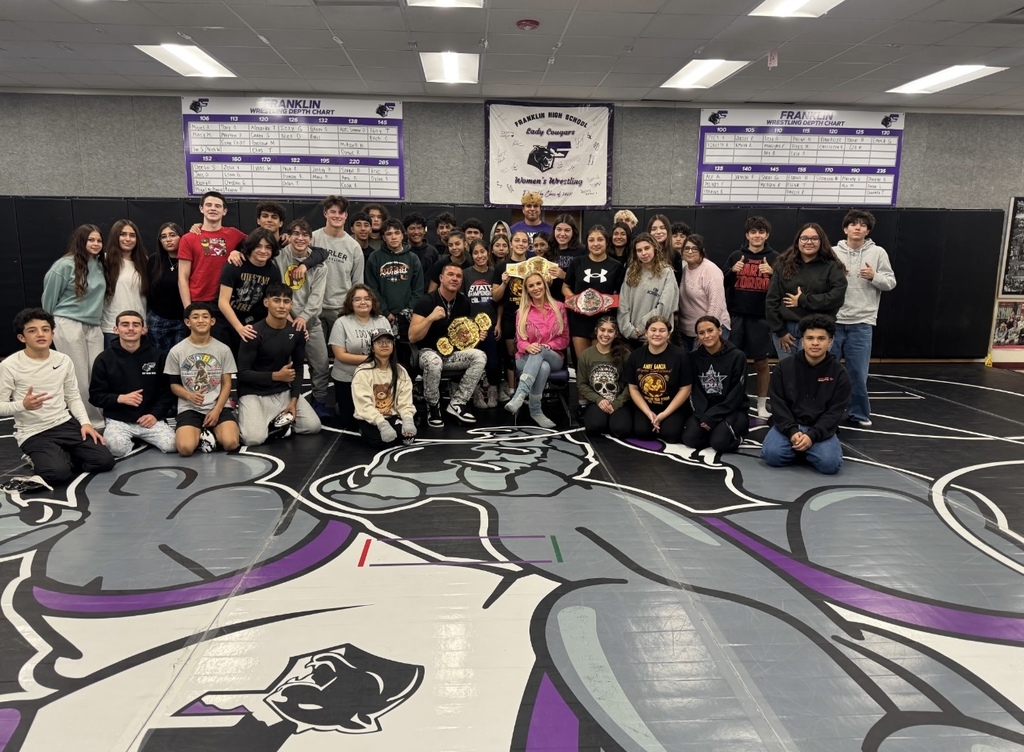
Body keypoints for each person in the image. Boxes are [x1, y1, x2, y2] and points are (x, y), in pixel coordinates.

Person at [0, 308, 114, 487]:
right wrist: (22, 405)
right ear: (22, 337)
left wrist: (85, 423)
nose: (40, 334)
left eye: (45, 329)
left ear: (52, 334)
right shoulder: (9, 365)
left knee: (104, 461)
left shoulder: (63, 360)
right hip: (33, 432)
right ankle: (40, 457)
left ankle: (56, 456)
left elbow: (73, 396)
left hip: (64, 423)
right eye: (32, 330)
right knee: (57, 474)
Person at [760, 314, 851, 475]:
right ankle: (804, 449)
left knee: (830, 464)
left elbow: (834, 413)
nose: (815, 343)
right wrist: (792, 431)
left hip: (819, 428)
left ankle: (804, 448)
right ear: (802, 341)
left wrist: (812, 436)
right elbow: (778, 405)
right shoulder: (784, 368)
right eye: (810, 338)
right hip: (789, 426)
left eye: (821, 338)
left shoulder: (839, 374)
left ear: (830, 342)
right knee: (772, 455)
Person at [831, 209, 897, 428]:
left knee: (858, 373)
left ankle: (858, 413)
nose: (857, 228)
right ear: (845, 229)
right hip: (834, 321)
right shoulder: (832, 252)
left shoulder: (878, 252)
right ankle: (824, 412)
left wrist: (874, 276)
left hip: (862, 322)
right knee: (826, 371)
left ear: (868, 230)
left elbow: (890, 282)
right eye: (853, 224)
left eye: (862, 225)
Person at [236, 283, 322, 447]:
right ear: (266, 302)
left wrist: (293, 401)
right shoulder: (253, 332)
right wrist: (275, 376)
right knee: (253, 439)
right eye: (276, 300)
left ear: (291, 305)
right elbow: (242, 373)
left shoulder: (296, 332)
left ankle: (274, 423)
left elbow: (298, 369)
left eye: (286, 301)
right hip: (253, 392)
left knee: (313, 426)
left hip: (281, 391)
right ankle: (248, 416)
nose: (282, 306)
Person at [41, 224, 106, 428]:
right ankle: (86, 421)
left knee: (96, 373)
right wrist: (49, 327)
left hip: (94, 326)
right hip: (68, 323)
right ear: (81, 241)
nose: (96, 244)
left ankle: (99, 417)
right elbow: (48, 300)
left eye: (99, 240)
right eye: (91, 240)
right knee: (78, 376)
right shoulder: (63, 265)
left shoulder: (99, 264)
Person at [88, 310, 176, 458]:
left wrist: (155, 415)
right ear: (116, 329)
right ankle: (132, 442)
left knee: (173, 445)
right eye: (125, 325)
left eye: (136, 325)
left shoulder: (158, 356)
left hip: (149, 419)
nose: (130, 328)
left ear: (144, 330)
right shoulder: (104, 359)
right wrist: (119, 398)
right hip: (119, 420)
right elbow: (95, 396)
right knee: (116, 448)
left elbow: (168, 392)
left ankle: (144, 437)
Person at [408, 264, 487, 428]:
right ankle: (433, 407)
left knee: (480, 356)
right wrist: (430, 318)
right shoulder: (426, 301)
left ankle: (457, 403)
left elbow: (463, 337)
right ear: (441, 278)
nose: (454, 278)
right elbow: (412, 336)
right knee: (434, 361)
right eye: (450, 274)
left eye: (458, 276)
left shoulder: (464, 302)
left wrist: (475, 337)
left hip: (452, 355)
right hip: (427, 352)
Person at [722, 216, 779, 420]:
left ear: (767, 235)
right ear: (747, 235)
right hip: (736, 316)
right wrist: (732, 272)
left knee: (762, 362)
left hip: (761, 318)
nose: (757, 235)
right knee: (734, 362)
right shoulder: (736, 255)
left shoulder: (775, 257)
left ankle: (762, 404)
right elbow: (722, 282)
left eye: (761, 232)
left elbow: (784, 286)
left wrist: (772, 273)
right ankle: (732, 401)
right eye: (753, 232)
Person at [165, 302, 240, 456]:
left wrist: (217, 410)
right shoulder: (176, 351)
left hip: (218, 405)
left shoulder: (223, 349)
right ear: (188, 322)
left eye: (205, 316)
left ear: (212, 321)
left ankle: (211, 433)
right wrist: (189, 395)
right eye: (196, 317)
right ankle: (201, 434)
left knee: (231, 443)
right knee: (185, 449)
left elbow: (227, 384)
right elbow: (174, 385)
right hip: (190, 408)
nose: (201, 320)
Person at [765, 223, 848, 360]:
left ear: (821, 242)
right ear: (798, 241)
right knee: (789, 371)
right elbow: (771, 301)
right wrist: (780, 331)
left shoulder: (832, 267)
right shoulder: (783, 265)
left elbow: (836, 298)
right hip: (786, 330)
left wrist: (803, 300)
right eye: (804, 238)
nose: (809, 242)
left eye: (814, 238)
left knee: (812, 371)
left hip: (818, 330)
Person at [278, 219, 331, 419]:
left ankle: (319, 401)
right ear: (289, 236)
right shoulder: (279, 257)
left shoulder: (319, 265)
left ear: (310, 239)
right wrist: (291, 319)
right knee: (284, 365)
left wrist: (303, 317)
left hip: (310, 322)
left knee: (321, 364)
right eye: (296, 234)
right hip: (284, 321)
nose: (300, 238)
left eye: (305, 235)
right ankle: (284, 401)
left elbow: (317, 297)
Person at [505, 271, 569, 428]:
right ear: (527, 290)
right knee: (543, 366)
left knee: (541, 353)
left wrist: (550, 346)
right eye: (531, 286)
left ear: (545, 285)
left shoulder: (559, 307)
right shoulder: (522, 312)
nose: (536, 288)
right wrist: (527, 346)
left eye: (538, 283)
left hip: (554, 356)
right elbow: (520, 340)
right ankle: (535, 411)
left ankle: (520, 394)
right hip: (525, 358)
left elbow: (565, 338)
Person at [681, 316, 749, 454]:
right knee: (690, 439)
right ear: (697, 337)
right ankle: (714, 432)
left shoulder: (737, 356)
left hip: (731, 409)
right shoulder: (693, 358)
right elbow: (695, 391)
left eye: (710, 330)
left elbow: (736, 394)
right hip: (705, 409)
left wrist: (713, 416)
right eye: (701, 333)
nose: (707, 336)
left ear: (720, 330)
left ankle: (739, 435)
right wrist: (703, 416)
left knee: (719, 443)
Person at [329, 284, 391, 430]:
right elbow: (340, 355)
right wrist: (372, 360)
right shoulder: (341, 322)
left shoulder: (382, 320)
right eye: (357, 299)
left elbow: (390, 348)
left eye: (367, 298)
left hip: (376, 378)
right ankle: (342, 405)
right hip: (347, 378)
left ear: (372, 301)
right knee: (351, 423)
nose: (363, 302)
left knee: (379, 415)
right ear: (350, 303)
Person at [621, 316, 692, 443]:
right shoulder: (636, 355)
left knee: (670, 435)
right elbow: (633, 388)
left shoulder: (680, 355)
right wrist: (648, 412)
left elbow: (685, 389)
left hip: (672, 406)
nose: (657, 334)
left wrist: (664, 414)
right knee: (642, 432)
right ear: (646, 333)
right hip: (647, 405)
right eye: (653, 330)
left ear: (668, 335)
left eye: (662, 330)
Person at [216, 228, 282, 355]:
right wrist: (240, 328)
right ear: (251, 247)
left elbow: (275, 301)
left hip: (252, 320)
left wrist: (294, 326)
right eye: (258, 246)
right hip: (225, 320)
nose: (263, 251)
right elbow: (223, 302)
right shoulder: (234, 265)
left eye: (268, 247)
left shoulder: (273, 271)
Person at [177, 191, 248, 309]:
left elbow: (258, 244)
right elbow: (182, 278)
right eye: (209, 205)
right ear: (201, 209)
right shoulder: (188, 238)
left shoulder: (233, 234)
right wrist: (188, 308)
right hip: (199, 300)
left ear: (224, 211)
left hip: (227, 299)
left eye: (218, 206)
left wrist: (239, 251)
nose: (213, 208)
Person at [563, 225, 623, 362]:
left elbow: (620, 294)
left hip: (604, 321)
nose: (596, 244)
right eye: (591, 240)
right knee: (583, 362)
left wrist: (609, 304)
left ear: (607, 242)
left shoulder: (616, 266)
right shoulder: (577, 263)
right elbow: (565, 287)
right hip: (579, 320)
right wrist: (576, 302)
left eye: (600, 240)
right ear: (587, 243)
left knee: (598, 362)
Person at [311, 195, 365, 346]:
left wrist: (353, 309)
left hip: (341, 309)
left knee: (340, 353)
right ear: (325, 213)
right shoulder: (312, 239)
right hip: (315, 307)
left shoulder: (354, 246)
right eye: (333, 212)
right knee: (317, 356)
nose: (337, 216)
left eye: (341, 212)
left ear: (346, 215)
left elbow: (357, 283)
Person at [351, 329, 417, 448]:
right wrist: (381, 424)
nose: (384, 345)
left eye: (388, 341)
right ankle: (362, 429)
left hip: (391, 415)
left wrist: (407, 420)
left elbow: (405, 400)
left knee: (407, 437)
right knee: (381, 441)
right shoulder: (363, 372)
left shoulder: (400, 371)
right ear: (372, 348)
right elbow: (364, 405)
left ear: (393, 346)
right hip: (370, 418)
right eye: (379, 342)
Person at [365, 219, 424, 342]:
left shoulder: (413, 258)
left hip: (408, 317)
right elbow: (372, 289)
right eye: (389, 234)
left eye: (397, 233)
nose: (393, 237)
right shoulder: (374, 258)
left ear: (403, 235)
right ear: (383, 237)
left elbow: (418, 289)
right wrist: (385, 311)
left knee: (406, 350)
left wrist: (408, 311)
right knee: (383, 348)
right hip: (382, 316)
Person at [617, 233, 678, 347]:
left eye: (647, 248)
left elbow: (665, 306)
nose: (643, 253)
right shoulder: (631, 272)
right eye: (639, 250)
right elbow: (623, 304)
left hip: (656, 336)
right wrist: (629, 331)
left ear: (655, 248)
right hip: (631, 337)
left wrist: (641, 328)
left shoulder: (667, 272)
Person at [494, 230, 532, 403]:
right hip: (510, 317)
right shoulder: (502, 267)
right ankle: (511, 390)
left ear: (528, 245)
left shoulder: (533, 265)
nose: (520, 244)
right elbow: (496, 298)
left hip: (531, 317)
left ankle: (528, 390)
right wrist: (504, 283)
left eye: (524, 241)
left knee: (528, 354)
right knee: (511, 355)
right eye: (517, 240)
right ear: (511, 244)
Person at [577, 316, 631, 436]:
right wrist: (599, 400)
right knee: (594, 427)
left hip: (619, 401)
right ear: (596, 330)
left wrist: (617, 403)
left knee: (621, 429)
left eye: (610, 331)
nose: (605, 334)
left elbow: (631, 385)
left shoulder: (625, 354)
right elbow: (582, 384)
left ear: (616, 334)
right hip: (597, 401)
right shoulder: (586, 355)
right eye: (602, 330)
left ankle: (613, 420)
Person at [462, 238, 501, 410]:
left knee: (493, 361)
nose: (480, 256)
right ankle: (476, 391)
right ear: (471, 255)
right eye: (475, 253)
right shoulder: (465, 274)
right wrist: (469, 327)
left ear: (488, 252)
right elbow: (462, 302)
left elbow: (499, 301)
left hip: (491, 325)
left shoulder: (494, 272)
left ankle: (493, 389)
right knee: (474, 361)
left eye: (482, 251)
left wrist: (498, 323)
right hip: (471, 327)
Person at [101, 219, 150, 349]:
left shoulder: (144, 261)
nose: (128, 239)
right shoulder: (104, 260)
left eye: (132, 235)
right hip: (112, 327)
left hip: (138, 326)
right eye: (123, 234)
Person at [678, 234, 730, 351]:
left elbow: (716, 304)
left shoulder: (710, 270)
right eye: (687, 248)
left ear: (702, 251)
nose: (690, 252)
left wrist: (706, 331)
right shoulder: (684, 269)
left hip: (709, 330)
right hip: (687, 331)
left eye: (694, 248)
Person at [147, 223, 187, 354]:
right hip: (158, 319)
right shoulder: (154, 260)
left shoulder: (188, 260)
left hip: (182, 319)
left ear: (181, 237)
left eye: (172, 235)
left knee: (180, 358)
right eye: (163, 237)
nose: (168, 240)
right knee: (159, 358)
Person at [550, 214, 585, 299]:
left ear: (573, 232)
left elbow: (585, 279)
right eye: (559, 229)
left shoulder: (582, 251)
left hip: (574, 298)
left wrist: (565, 276)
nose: (562, 234)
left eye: (567, 230)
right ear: (554, 231)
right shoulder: (548, 249)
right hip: (552, 300)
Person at [647, 214, 681, 283]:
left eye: (662, 228)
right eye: (654, 229)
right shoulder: (643, 253)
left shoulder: (675, 255)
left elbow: (676, 282)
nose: (658, 232)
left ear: (668, 230)